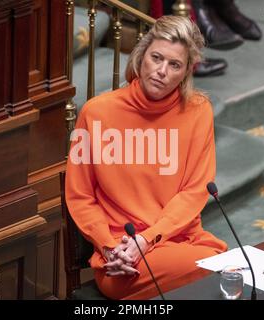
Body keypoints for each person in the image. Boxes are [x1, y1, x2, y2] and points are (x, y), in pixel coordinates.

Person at [65, 15, 227, 300]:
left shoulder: (198, 111)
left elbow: (194, 191)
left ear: (186, 71)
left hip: (178, 240)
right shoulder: (95, 113)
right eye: (156, 58)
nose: (161, 71)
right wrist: (107, 247)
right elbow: (80, 197)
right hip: (121, 257)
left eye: (174, 64)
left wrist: (148, 239)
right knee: (223, 270)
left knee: (221, 270)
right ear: (141, 57)